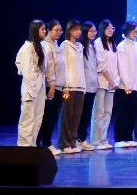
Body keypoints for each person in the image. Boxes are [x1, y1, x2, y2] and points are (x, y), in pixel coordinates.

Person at [15, 20, 48, 148]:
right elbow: (26, 70)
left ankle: (32, 145)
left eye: (45, 29)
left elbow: (43, 67)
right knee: (28, 118)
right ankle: (24, 145)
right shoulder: (27, 48)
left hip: (40, 86)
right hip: (30, 87)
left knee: (37, 118)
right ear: (35, 30)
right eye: (42, 29)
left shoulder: (40, 47)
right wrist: (31, 89)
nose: (45, 31)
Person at [113, 21, 137, 148]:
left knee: (132, 113)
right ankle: (119, 138)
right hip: (123, 87)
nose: (135, 34)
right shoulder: (122, 46)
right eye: (132, 31)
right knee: (121, 113)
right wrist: (127, 85)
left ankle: (128, 137)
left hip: (135, 87)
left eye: (136, 31)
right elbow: (122, 66)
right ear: (126, 32)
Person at [56, 19, 87, 154]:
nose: (78, 32)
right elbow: (65, 67)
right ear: (69, 31)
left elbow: (81, 67)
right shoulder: (65, 46)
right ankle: (64, 144)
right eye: (75, 29)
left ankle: (73, 142)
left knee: (76, 116)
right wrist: (66, 86)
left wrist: (84, 86)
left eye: (79, 29)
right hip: (69, 86)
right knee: (66, 116)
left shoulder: (80, 46)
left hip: (80, 86)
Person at [35, 20, 63, 153]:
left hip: (57, 86)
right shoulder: (46, 46)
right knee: (47, 116)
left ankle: (46, 143)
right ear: (49, 30)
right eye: (56, 30)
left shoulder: (55, 45)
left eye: (60, 30)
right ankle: (44, 143)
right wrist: (51, 85)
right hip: (50, 86)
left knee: (51, 117)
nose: (59, 32)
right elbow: (49, 68)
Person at [91, 19, 119, 149]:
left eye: (112, 28)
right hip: (102, 83)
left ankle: (103, 139)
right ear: (102, 29)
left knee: (108, 112)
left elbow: (116, 65)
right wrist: (111, 81)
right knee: (99, 111)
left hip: (112, 84)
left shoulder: (113, 44)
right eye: (108, 28)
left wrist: (115, 81)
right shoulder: (98, 43)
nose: (111, 30)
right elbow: (101, 65)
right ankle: (96, 140)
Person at [77, 21, 100, 150]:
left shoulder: (93, 46)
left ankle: (82, 139)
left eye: (95, 31)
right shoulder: (81, 46)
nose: (94, 33)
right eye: (91, 31)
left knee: (86, 113)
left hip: (92, 85)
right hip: (83, 85)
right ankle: (77, 139)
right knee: (80, 114)